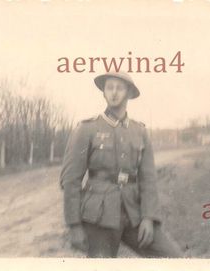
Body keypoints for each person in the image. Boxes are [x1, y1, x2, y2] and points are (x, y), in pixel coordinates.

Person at [60, 71, 182, 258]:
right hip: (99, 217)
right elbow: (70, 180)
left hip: (134, 214)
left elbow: (148, 179)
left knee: (173, 258)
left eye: (119, 88)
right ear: (104, 93)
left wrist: (148, 217)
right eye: (109, 88)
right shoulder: (87, 128)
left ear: (129, 93)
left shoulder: (139, 131)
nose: (114, 92)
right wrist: (74, 225)